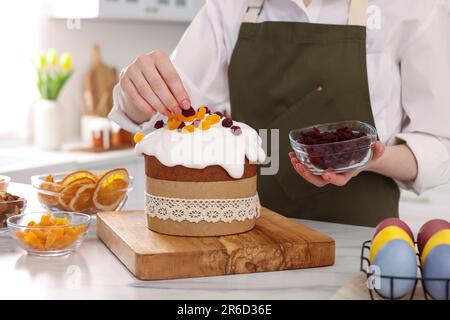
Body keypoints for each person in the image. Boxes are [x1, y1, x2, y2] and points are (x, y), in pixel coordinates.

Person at [109, 0, 450, 226]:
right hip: (248, 242)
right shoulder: (231, 6)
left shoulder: (413, 6)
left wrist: (369, 158)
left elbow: (440, 144)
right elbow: (166, 116)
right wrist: (136, 89)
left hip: (362, 249)